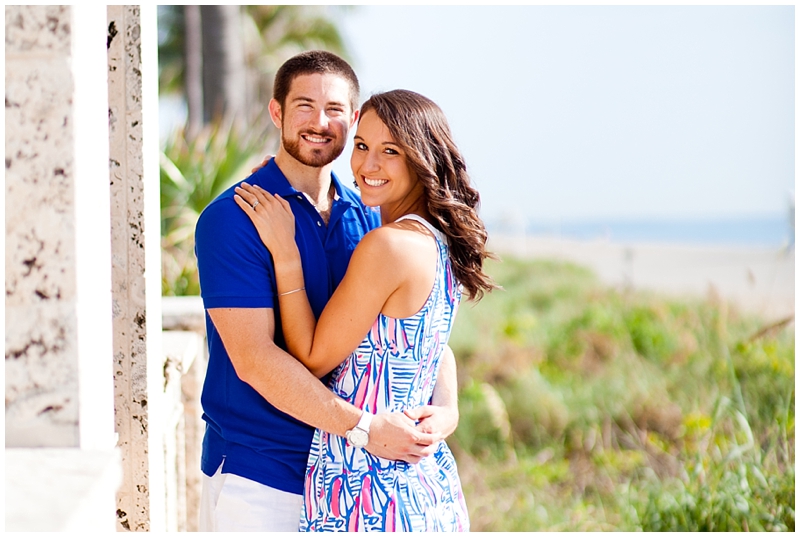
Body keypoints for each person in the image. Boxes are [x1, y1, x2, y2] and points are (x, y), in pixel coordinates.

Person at [194, 51, 460, 532]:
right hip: (263, 478)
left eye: (335, 109)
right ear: (276, 112)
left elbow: (412, 332)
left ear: (354, 119)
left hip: (356, 477)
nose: (320, 122)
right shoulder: (233, 219)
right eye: (304, 106)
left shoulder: (369, 215)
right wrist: (365, 429)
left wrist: (447, 406)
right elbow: (254, 359)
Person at [234, 89, 496, 531]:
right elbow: (433, 349)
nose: (368, 165)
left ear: (422, 158)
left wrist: (286, 253)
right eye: (361, 146)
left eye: (390, 151)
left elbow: (314, 357)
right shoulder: (434, 239)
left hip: (368, 483)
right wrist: (448, 410)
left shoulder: (388, 246)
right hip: (421, 484)